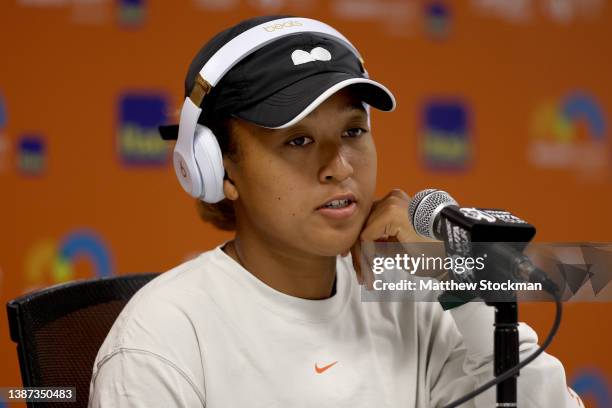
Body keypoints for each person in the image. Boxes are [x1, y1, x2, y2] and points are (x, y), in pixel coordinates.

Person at [88, 15, 582, 407]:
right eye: (298, 140)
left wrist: (457, 282)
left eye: (352, 132)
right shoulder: (163, 338)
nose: (339, 166)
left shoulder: (414, 304)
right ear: (217, 171)